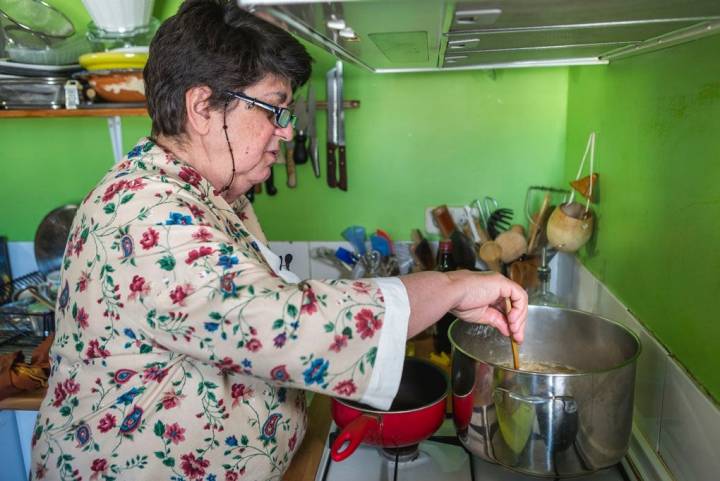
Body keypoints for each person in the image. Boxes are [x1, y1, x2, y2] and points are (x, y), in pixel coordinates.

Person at [30, 1, 527, 480]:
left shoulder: (207, 193)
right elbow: (290, 326)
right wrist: (454, 286)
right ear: (203, 107)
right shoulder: (147, 217)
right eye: (274, 110)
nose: (286, 134)